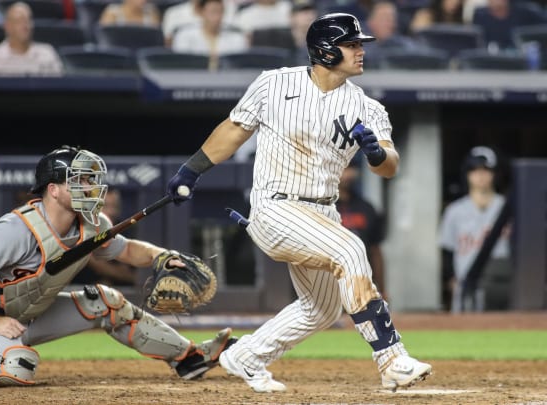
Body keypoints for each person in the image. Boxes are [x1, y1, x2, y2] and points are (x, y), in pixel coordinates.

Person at [165, 13, 432, 393]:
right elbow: (235, 129)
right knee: (351, 249)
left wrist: (375, 155)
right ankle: (391, 359)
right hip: (275, 207)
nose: (360, 51)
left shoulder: (368, 108)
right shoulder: (275, 83)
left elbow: (390, 166)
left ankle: (247, 356)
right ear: (325, 51)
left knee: (321, 309)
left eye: (360, 45)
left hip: (321, 212)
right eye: (352, 45)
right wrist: (191, 171)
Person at [0, 146, 235, 387]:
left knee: (106, 302)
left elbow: (128, 250)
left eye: (91, 180)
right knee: (16, 368)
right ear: (53, 190)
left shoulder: (92, 224)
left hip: (30, 315)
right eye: (79, 180)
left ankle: (188, 357)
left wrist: (163, 256)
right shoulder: (18, 228)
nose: (90, 187)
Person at [438, 146, 510, 313]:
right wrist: (451, 279)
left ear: (494, 174)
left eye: (486, 170)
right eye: (475, 170)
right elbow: (447, 251)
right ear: (468, 174)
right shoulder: (455, 211)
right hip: (467, 284)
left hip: (503, 284)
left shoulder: (508, 207)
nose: (480, 175)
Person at [336, 161, 387, 298]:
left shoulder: (367, 208)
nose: (348, 174)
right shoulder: (323, 207)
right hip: (331, 284)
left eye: (352, 169)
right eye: (344, 169)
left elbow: (376, 250)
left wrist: (382, 289)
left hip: (362, 281)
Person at [0, 2, 63, 76]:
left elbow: (59, 89)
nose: (25, 26)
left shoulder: (47, 53)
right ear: (7, 26)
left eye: (28, 20)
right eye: (19, 21)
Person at [75, 188, 137, 286]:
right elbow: (90, 261)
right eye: (106, 206)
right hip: (78, 288)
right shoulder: (80, 229)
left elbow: (130, 275)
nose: (111, 212)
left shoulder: (126, 230)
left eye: (115, 207)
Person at [171, 0, 247, 70]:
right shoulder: (184, 35)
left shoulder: (236, 37)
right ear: (202, 12)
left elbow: (239, 65)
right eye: (213, 12)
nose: (218, 17)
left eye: (221, 12)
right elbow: (181, 64)